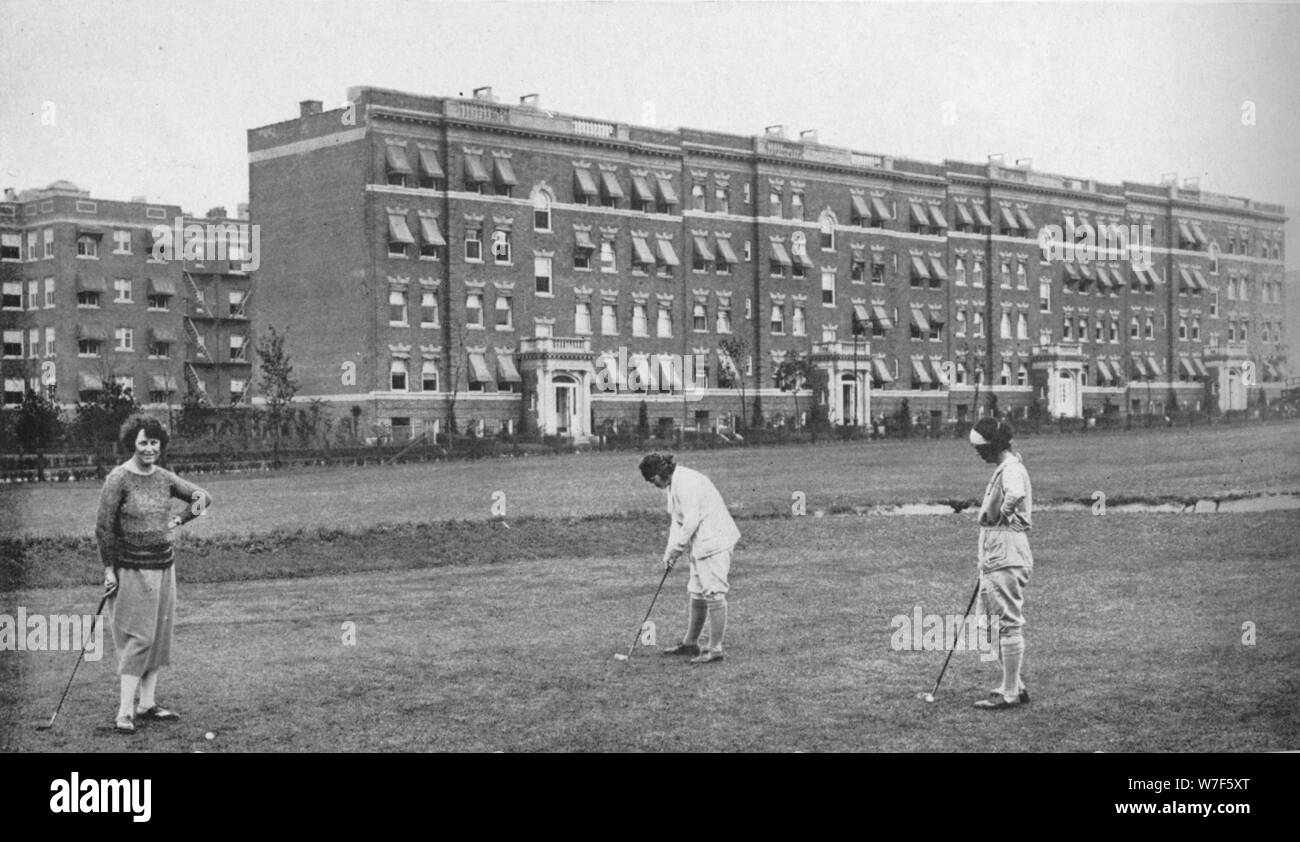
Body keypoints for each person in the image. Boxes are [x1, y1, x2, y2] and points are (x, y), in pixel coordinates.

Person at [96, 414, 213, 733]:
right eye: (143, 442)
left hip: (164, 568)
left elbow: (203, 498)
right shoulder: (118, 478)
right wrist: (109, 569)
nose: (149, 448)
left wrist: (180, 520)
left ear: (162, 445)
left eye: (154, 443)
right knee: (140, 639)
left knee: (158, 639)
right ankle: (124, 711)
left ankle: (147, 704)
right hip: (132, 570)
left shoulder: (164, 477)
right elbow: (104, 527)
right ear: (132, 443)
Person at [639, 453, 740, 664]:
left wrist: (678, 549)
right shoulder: (673, 485)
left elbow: (691, 520)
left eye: (652, 480)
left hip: (715, 541)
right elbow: (677, 522)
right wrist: (670, 552)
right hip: (700, 544)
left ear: (659, 473)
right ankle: (690, 644)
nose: (652, 484)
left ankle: (715, 649)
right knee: (697, 592)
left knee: (713, 593)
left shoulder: (686, 482)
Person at [968, 416, 1033, 710]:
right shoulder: (1006, 467)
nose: (978, 454)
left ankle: (1010, 692)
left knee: (1006, 623)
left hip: (1005, 549)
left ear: (992, 446)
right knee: (987, 623)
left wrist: (1005, 515)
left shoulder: (1011, 469)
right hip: (999, 550)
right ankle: (1014, 685)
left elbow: (1015, 494)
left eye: (981, 449)